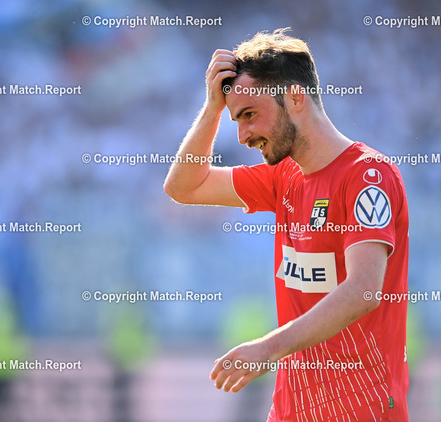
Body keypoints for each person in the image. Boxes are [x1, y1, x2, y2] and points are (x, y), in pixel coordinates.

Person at [164, 28, 409, 421]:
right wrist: (211, 110)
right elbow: (183, 187)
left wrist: (267, 349)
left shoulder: (369, 176)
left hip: (360, 410)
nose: (242, 136)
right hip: (292, 411)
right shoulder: (284, 178)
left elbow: (364, 291)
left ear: (295, 98)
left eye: (249, 115)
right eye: (236, 120)